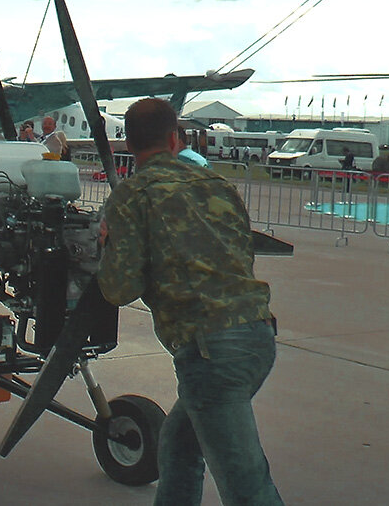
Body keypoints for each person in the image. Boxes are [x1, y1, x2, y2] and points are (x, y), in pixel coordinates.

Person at [98, 97, 281, 506]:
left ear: (128, 144)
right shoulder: (217, 185)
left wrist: (108, 246)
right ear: (174, 138)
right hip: (257, 335)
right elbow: (240, 255)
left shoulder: (132, 196)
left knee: (247, 487)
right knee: (179, 447)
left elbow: (119, 289)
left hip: (210, 352)